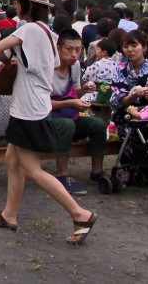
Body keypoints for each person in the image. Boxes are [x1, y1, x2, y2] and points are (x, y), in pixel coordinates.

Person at [0, 0, 98, 246]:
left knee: (32, 169)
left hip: (27, 109)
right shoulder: (48, 32)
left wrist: (10, 61)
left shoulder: (29, 29)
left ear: (26, 5)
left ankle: (80, 214)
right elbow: (51, 64)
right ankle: (9, 214)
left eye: (18, 1)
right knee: (12, 159)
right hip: (37, 104)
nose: (15, 5)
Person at [49, 29, 107, 196]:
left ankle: (97, 172)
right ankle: (62, 175)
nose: (74, 54)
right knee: (67, 125)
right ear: (58, 48)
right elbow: (42, 104)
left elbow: (73, 93)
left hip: (68, 114)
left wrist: (83, 90)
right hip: (47, 119)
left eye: (78, 50)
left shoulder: (74, 67)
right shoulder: (48, 69)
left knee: (97, 124)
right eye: (69, 49)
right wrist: (71, 103)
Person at [110, 29, 148, 121]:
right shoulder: (119, 69)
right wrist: (133, 96)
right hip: (128, 114)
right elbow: (116, 100)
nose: (129, 50)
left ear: (144, 47)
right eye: (125, 46)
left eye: (134, 45)